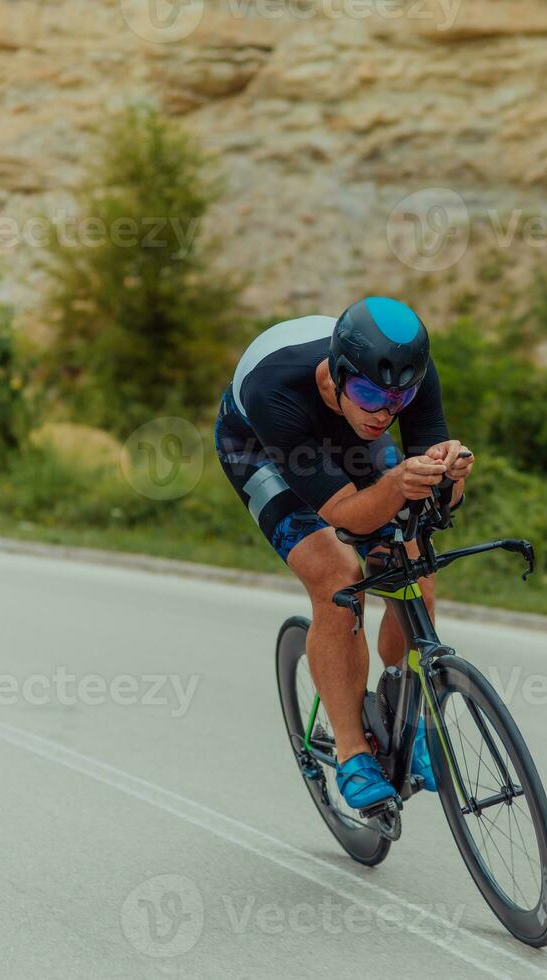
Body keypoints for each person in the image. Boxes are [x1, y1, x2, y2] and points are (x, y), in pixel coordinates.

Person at [215, 298, 474, 809]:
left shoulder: (405, 379)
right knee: (338, 575)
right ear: (336, 375)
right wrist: (400, 482)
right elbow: (346, 515)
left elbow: (438, 498)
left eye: (399, 398)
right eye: (368, 393)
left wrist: (451, 474)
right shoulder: (275, 389)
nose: (384, 411)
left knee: (413, 556)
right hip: (261, 448)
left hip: (347, 443)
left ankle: (405, 708)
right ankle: (353, 753)